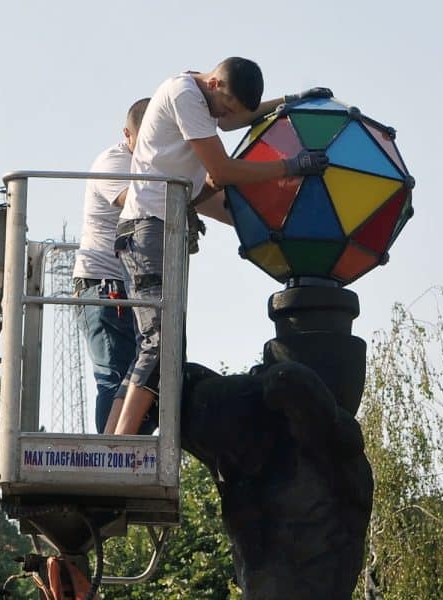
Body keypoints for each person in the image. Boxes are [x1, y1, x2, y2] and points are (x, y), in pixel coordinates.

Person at [109, 56, 331, 435]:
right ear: (214, 84)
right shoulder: (185, 95)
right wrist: (290, 166)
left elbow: (233, 118)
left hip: (159, 228)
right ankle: (119, 443)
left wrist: (285, 102)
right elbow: (223, 172)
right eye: (225, 107)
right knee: (161, 342)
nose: (225, 119)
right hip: (147, 229)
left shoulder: (204, 99)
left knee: (158, 342)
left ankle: (112, 439)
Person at [73, 98, 156, 434]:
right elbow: (136, 203)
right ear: (129, 134)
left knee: (146, 376)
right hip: (105, 286)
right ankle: (110, 457)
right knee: (116, 375)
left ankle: (126, 450)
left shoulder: (153, 168)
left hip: (134, 287)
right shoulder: (115, 161)